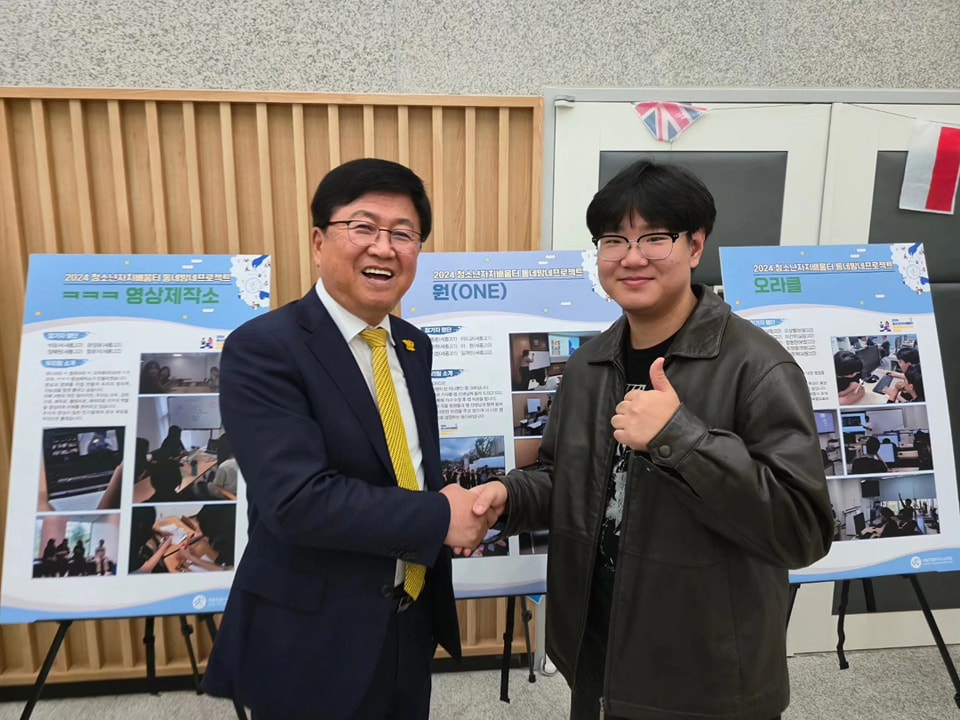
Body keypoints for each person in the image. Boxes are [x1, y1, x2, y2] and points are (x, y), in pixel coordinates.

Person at [469, 159, 833, 720]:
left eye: (654, 238)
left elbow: (801, 530)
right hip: (597, 652)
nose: (631, 257)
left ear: (695, 245)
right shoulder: (590, 365)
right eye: (613, 240)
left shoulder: (757, 367)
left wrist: (680, 438)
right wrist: (509, 497)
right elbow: (568, 479)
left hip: (707, 677)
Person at [201, 158, 496, 720]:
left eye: (403, 233)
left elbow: (408, 465)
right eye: (363, 227)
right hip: (313, 634)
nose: (384, 248)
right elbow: (296, 500)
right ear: (318, 242)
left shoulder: (412, 344)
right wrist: (440, 517)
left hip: (408, 617)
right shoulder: (264, 348)